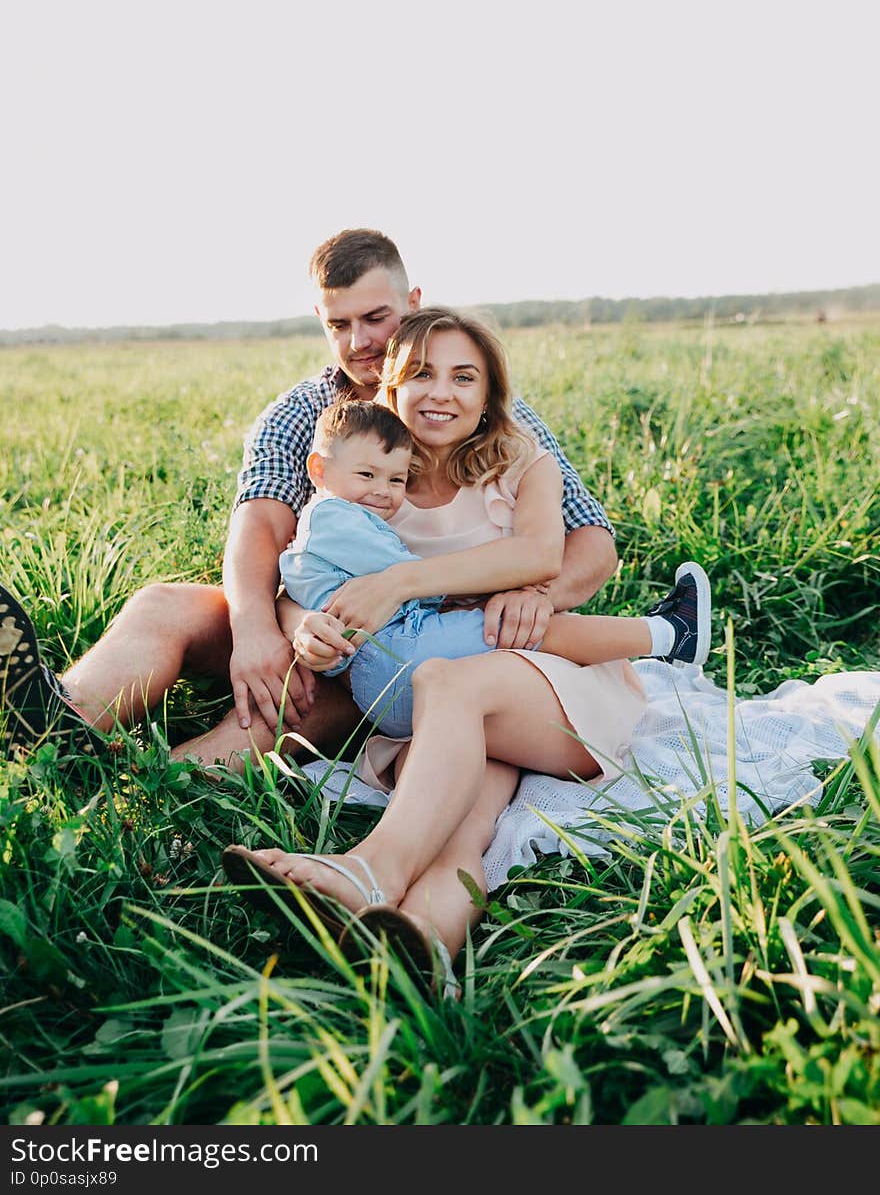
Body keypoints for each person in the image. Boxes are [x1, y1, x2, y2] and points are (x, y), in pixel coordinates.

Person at [222, 307, 712, 989]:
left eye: (463, 377)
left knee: (447, 681)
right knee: (465, 819)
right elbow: (312, 566)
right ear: (387, 386)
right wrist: (303, 621)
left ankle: (369, 868)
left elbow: (542, 551)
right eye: (421, 374)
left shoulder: (521, 463)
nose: (441, 393)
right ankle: (422, 943)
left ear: (488, 395)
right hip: (458, 716)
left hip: (551, 688)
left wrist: (402, 583)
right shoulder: (373, 479)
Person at [0, 229, 618, 766]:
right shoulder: (306, 412)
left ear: (413, 302)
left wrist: (534, 599)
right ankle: (56, 724)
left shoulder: (476, 408)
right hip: (314, 607)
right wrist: (258, 631)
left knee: (302, 699)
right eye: (338, 325)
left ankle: (160, 786)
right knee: (165, 605)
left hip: (419, 637)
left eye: (376, 318)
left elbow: (588, 537)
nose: (359, 343)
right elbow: (261, 529)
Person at [275, 393, 710, 743]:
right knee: (530, 630)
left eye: (396, 480)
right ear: (319, 469)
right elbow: (412, 578)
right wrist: (478, 592)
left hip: (378, 681)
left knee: (521, 638)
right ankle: (669, 634)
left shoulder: (327, 527)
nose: (383, 492)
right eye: (367, 475)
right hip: (402, 654)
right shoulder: (335, 518)